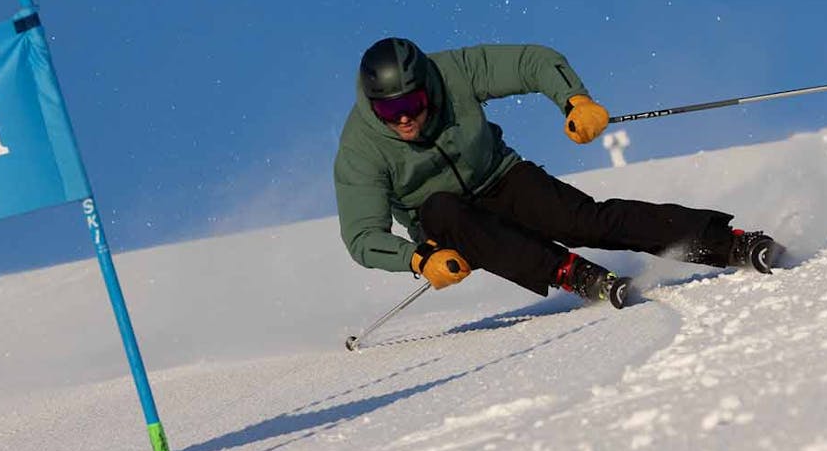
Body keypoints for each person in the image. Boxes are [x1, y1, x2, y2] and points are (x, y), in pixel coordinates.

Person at [333, 36, 780, 306]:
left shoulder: (452, 74)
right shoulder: (362, 147)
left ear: (427, 88)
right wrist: (418, 258)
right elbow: (361, 237)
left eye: (411, 104)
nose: (403, 118)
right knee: (443, 209)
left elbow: (533, 61)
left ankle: (728, 245)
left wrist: (575, 101)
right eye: (389, 110)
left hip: (499, 176)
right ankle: (573, 274)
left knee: (582, 220)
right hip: (444, 220)